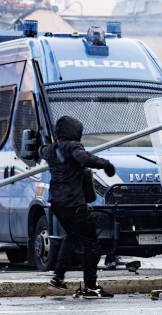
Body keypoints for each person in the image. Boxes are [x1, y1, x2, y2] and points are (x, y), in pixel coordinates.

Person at [39, 115, 116, 299]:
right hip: (74, 203)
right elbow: (83, 158)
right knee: (92, 244)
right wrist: (106, 164)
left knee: (72, 237)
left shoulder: (50, 150)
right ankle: (91, 287)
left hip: (57, 204)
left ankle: (58, 276)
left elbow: (40, 150)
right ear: (74, 132)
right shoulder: (72, 147)